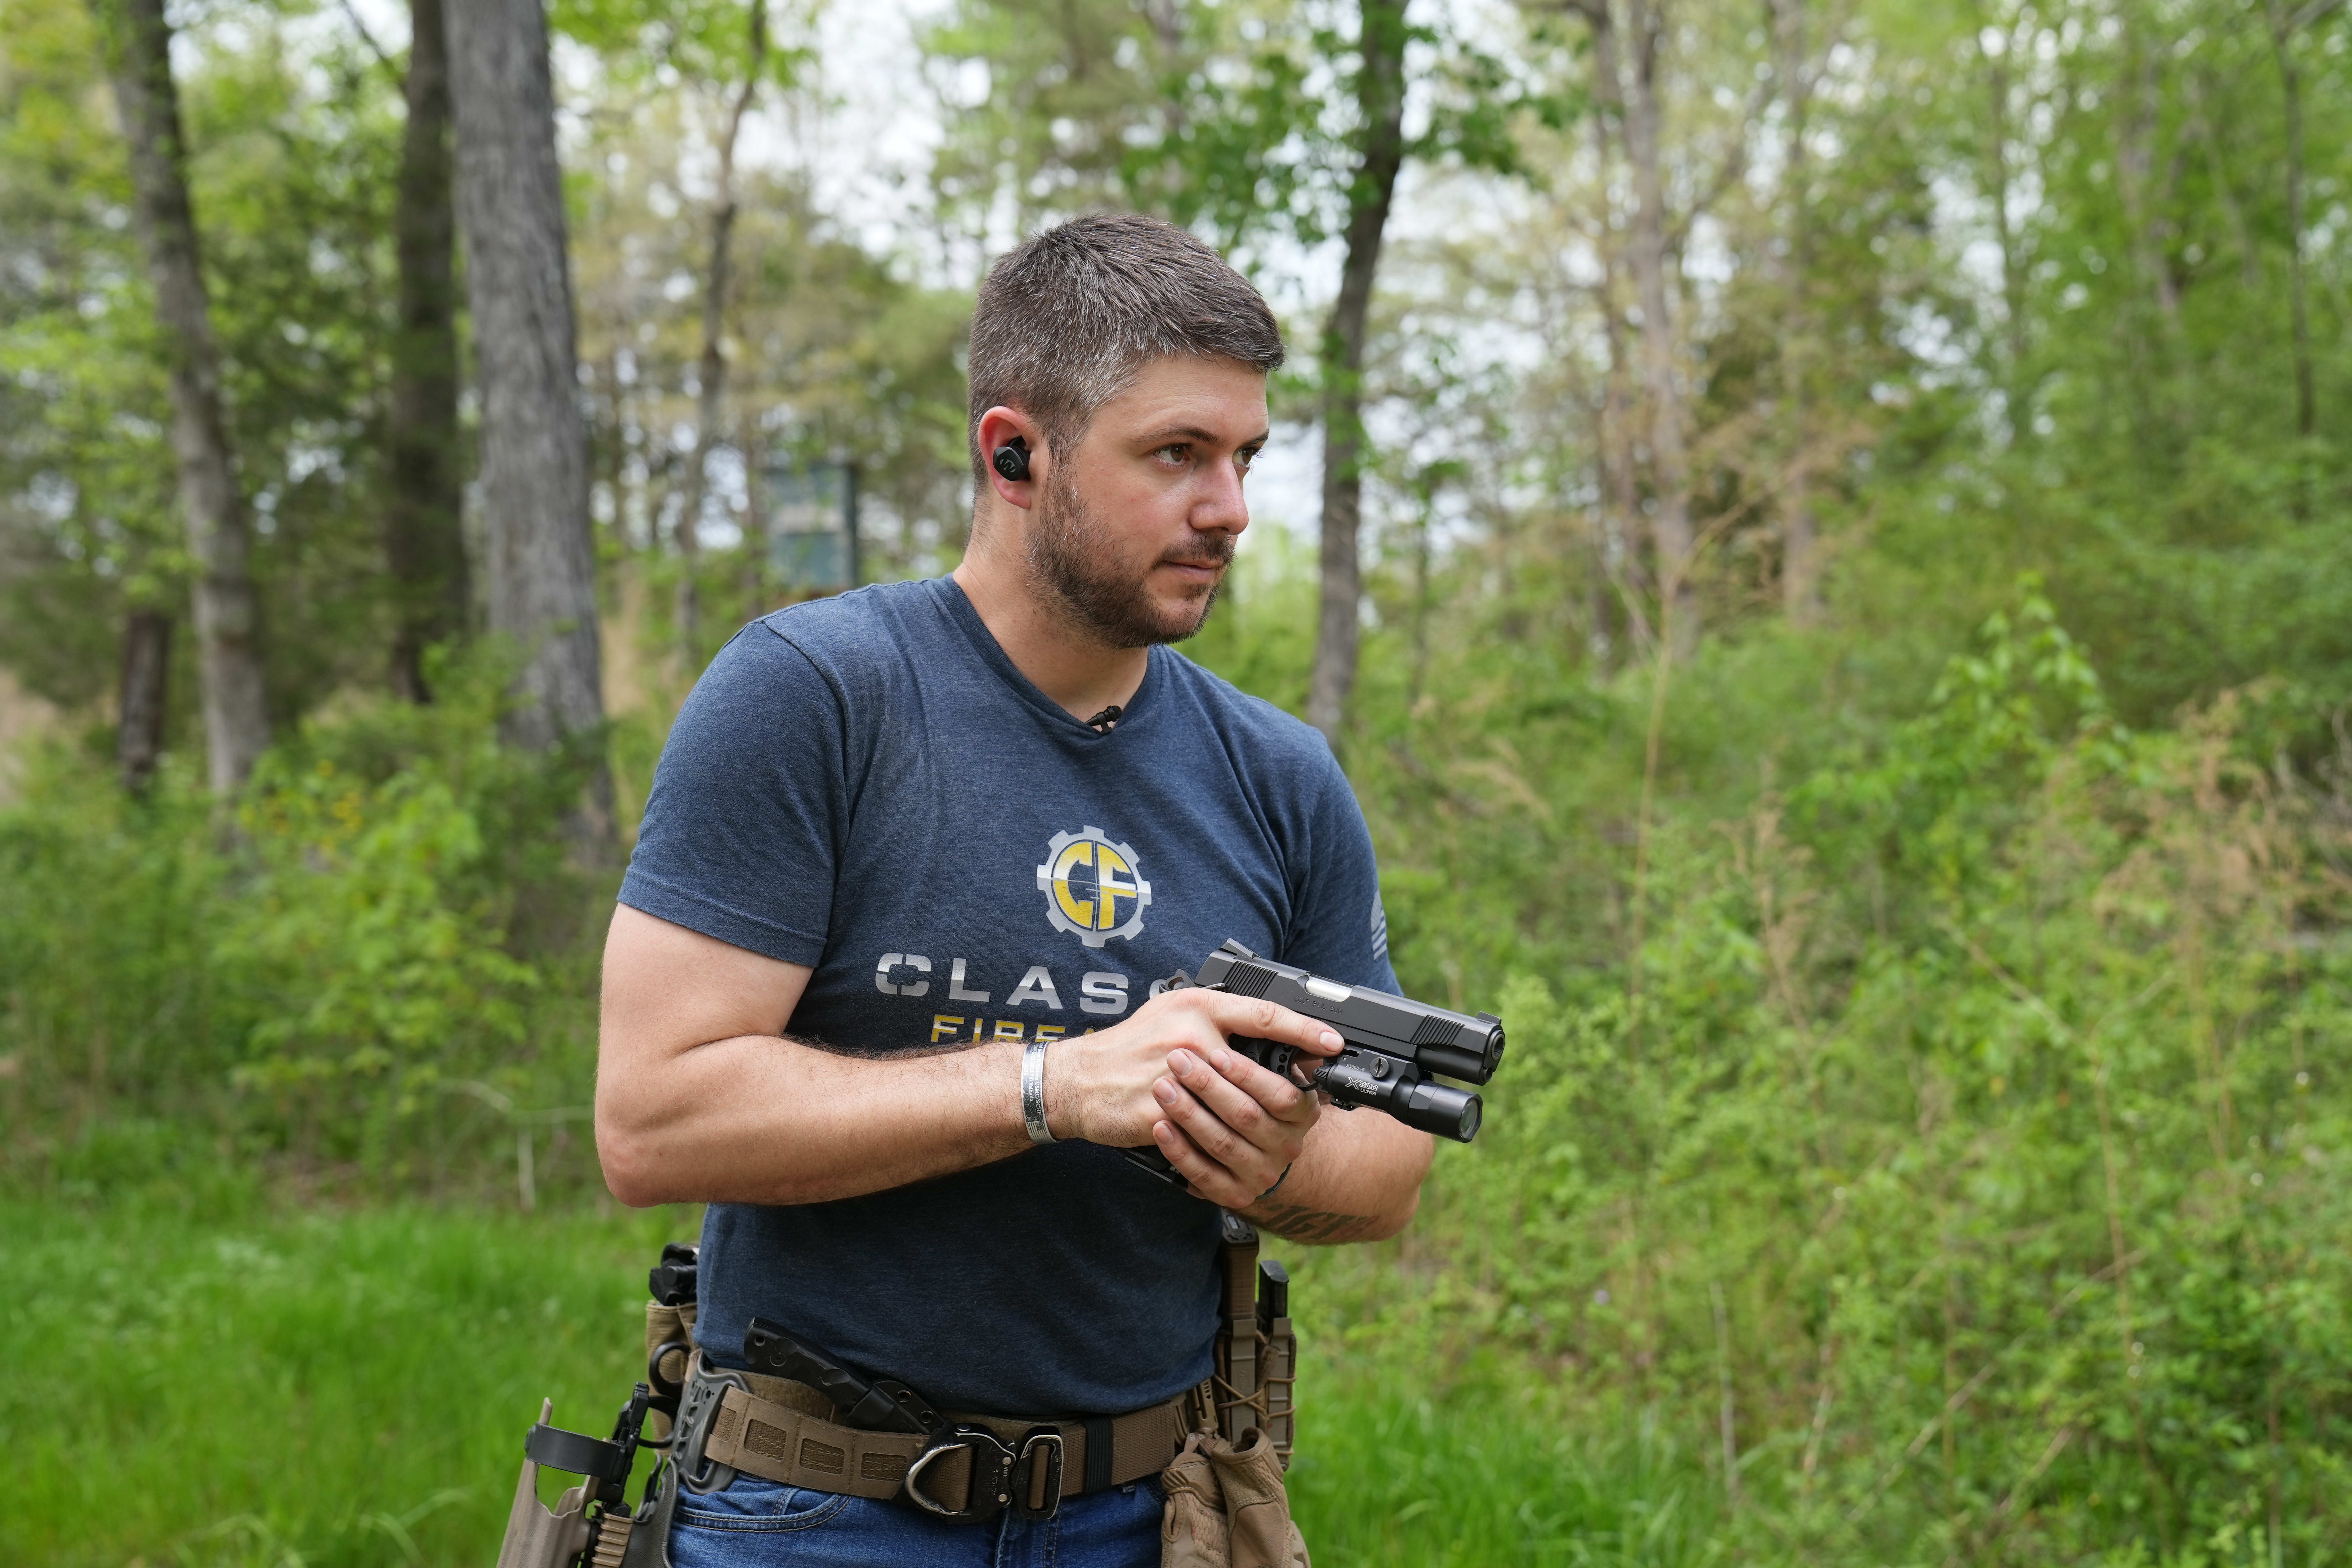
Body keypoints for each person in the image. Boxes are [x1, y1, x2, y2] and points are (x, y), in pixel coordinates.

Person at [595, 211, 1432, 1567]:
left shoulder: (1280, 773)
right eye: (1176, 455)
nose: (1229, 507)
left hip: (1153, 1514)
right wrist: (1053, 1087)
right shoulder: (815, 697)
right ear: (1014, 454)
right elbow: (651, 1120)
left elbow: (1387, 1169)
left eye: (1245, 458)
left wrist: (1276, 1160)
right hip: (816, 1512)